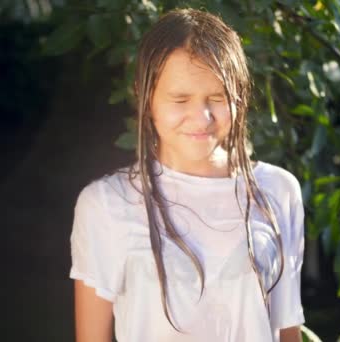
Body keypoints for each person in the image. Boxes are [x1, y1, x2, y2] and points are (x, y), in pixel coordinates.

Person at [69, 8, 305, 342]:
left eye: (217, 97)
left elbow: (287, 332)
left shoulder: (277, 191)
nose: (202, 116)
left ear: (240, 95)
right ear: (144, 97)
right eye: (180, 99)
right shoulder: (105, 205)